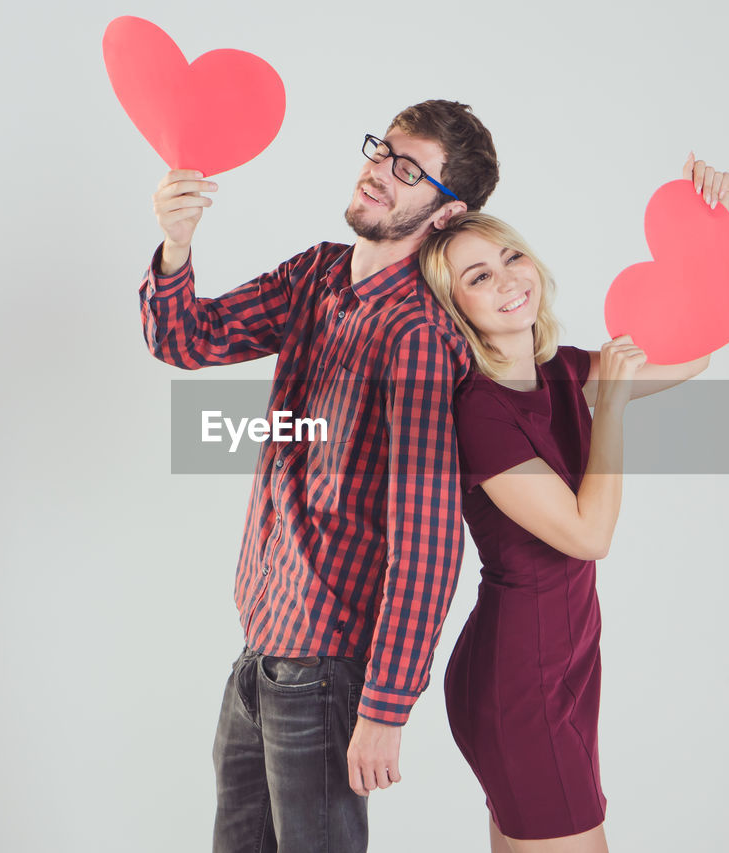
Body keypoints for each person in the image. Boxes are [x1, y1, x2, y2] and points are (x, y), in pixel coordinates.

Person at [140, 100, 500, 852]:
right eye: (383, 151)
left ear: (446, 212)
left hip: (328, 673)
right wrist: (177, 244)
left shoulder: (419, 338)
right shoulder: (317, 273)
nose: (379, 171)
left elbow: (429, 544)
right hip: (259, 652)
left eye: (410, 170)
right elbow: (185, 339)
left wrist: (387, 709)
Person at [417, 154, 729, 853]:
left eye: (509, 258)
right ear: (454, 308)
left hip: (564, 659)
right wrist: (612, 405)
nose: (506, 280)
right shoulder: (480, 411)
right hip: (517, 676)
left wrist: (706, 222)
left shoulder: (561, 368)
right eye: (478, 277)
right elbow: (589, 535)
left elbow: (695, 354)